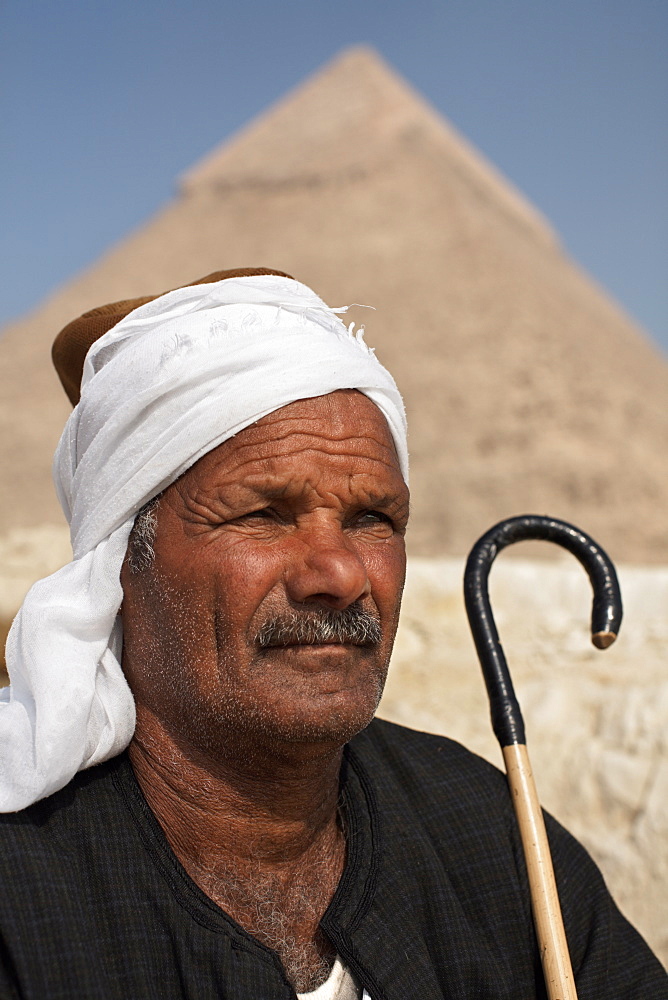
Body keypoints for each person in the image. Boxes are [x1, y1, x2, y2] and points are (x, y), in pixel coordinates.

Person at [0, 268, 665, 1000]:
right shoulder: (24, 899)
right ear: (122, 563)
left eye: (371, 520)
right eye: (263, 515)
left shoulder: (489, 834)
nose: (340, 573)